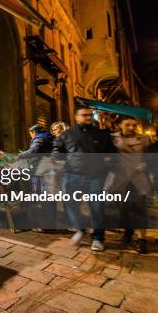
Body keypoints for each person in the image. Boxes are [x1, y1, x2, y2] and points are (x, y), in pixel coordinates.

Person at [52, 106, 117, 251]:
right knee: (70, 204)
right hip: (72, 176)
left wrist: (108, 163)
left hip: (96, 177)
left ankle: (98, 238)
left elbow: (113, 153)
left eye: (89, 115)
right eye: (84, 115)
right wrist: (56, 156)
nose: (88, 117)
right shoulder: (68, 134)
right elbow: (57, 147)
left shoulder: (102, 134)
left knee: (96, 208)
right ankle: (80, 229)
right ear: (76, 117)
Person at [104, 116, 154, 254]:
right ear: (120, 125)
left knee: (140, 209)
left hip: (138, 179)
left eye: (134, 125)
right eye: (128, 125)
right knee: (123, 207)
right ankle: (128, 230)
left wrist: (146, 164)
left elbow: (151, 156)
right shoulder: (111, 138)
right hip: (119, 179)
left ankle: (142, 240)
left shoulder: (143, 139)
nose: (132, 128)